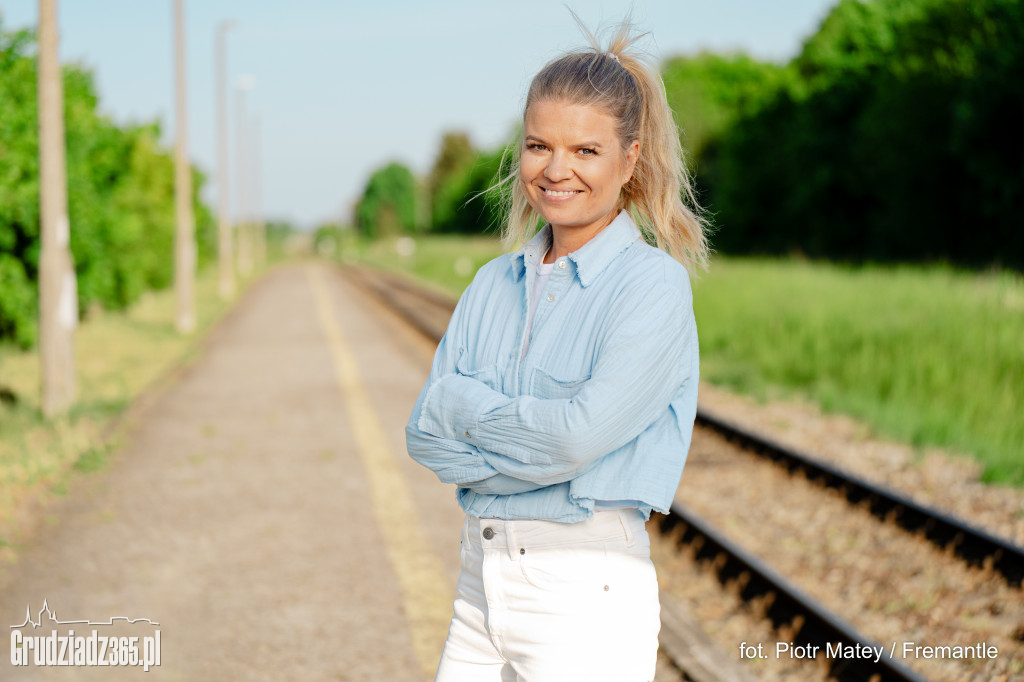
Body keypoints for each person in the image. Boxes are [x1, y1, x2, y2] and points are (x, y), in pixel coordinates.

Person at [406, 18, 709, 682]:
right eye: (540, 146)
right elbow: (423, 433)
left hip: (584, 597)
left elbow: (575, 439)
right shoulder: (492, 283)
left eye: (585, 151)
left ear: (630, 158)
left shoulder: (651, 287)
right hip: (478, 584)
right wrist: (542, 456)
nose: (557, 170)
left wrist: (469, 411)